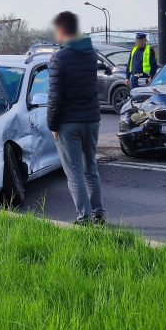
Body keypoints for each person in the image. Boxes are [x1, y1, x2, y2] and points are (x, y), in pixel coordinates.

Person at [47, 11, 104, 225]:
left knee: (74, 172)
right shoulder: (90, 54)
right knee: (91, 168)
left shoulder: (59, 58)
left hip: (68, 122)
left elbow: (55, 96)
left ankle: (84, 218)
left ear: (61, 30)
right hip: (92, 120)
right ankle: (98, 214)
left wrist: (52, 124)